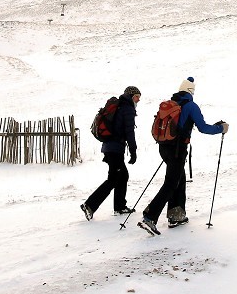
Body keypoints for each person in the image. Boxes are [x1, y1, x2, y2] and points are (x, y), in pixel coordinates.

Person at [138, 77, 227, 235]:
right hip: (177, 150)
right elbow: (203, 127)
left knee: (179, 178)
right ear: (191, 91)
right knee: (171, 183)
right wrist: (220, 128)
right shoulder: (191, 106)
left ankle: (176, 215)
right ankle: (149, 217)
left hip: (164, 148)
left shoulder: (172, 103)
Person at [81, 86, 141, 220]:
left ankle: (120, 207)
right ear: (131, 96)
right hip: (115, 148)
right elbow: (129, 132)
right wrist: (133, 151)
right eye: (137, 97)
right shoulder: (127, 109)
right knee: (114, 178)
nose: (139, 100)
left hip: (109, 147)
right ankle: (89, 205)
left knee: (122, 175)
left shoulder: (120, 106)